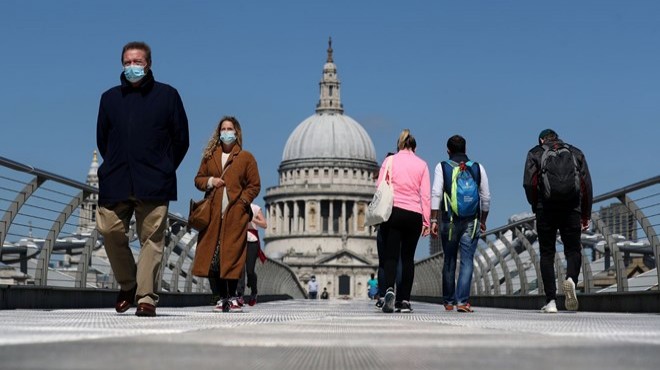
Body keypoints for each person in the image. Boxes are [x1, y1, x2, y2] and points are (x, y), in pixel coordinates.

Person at [96, 41, 189, 317]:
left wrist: (164, 167)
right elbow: (103, 139)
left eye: (137, 62)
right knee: (109, 230)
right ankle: (129, 284)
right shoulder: (109, 98)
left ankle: (146, 297)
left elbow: (181, 139)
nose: (132, 66)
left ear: (148, 64)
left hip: (154, 181)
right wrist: (115, 162)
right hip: (117, 179)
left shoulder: (168, 95)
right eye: (127, 62)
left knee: (152, 239)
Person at [191, 116, 261, 313]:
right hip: (213, 215)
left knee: (232, 255)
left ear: (236, 132)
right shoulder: (210, 155)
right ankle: (222, 297)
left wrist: (242, 202)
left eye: (230, 128)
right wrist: (212, 181)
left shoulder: (246, 157)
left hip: (235, 215)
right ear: (218, 132)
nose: (226, 132)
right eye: (223, 128)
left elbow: (254, 185)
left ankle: (232, 296)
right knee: (215, 257)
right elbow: (198, 180)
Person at [523, 129, 592, 313]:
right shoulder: (575, 152)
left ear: (541, 140)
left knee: (547, 254)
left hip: (545, 208)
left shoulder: (535, 153)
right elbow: (586, 183)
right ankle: (571, 279)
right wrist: (586, 213)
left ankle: (551, 302)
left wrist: (535, 205)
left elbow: (529, 183)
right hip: (572, 208)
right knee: (573, 249)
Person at [430, 135, 490, 313]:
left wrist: (433, 219)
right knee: (467, 261)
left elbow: (436, 194)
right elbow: (486, 197)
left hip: (449, 220)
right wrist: (483, 220)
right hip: (472, 220)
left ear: (448, 150)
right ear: (465, 148)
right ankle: (462, 301)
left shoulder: (443, 167)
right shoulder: (478, 168)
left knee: (449, 260)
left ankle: (449, 301)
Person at [377, 129, 431, 313]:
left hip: (394, 212)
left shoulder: (389, 161)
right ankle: (405, 300)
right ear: (415, 147)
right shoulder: (422, 164)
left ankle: (389, 290)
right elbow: (425, 195)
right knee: (407, 259)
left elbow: (380, 188)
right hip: (414, 214)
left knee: (391, 256)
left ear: (399, 144)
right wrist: (426, 221)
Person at [236, 203, 267, 306]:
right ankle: (240, 295)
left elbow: (264, 224)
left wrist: (252, 219)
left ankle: (254, 291)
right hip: (239, 239)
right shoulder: (236, 206)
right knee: (240, 269)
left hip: (252, 241)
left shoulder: (255, 208)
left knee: (250, 270)